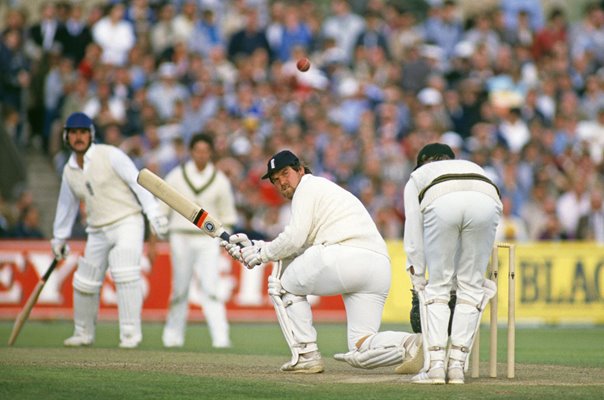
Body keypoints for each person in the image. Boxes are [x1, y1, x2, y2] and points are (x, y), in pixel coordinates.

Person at [222, 150, 423, 374]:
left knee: (282, 285)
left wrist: (261, 254)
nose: (281, 183)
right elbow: (301, 244)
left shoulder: (306, 188)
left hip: (345, 255)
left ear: (300, 170)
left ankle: (307, 355)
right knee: (362, 344)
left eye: (285, 174)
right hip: (378, 266)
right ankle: (414, 345)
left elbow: (294, 238)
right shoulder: (322, 191)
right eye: (275, 180)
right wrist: (256, 246)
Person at [51, 111, 168, 349]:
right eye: (73, 133)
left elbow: (139, 181)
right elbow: (66, 205)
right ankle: (83, 333)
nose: (79, 137)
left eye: (83, 132)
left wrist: (153, 212)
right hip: (96, 228)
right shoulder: (69, 170)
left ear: (91, 134)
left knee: (125, 272)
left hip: (127, 220)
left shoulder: (111, 154)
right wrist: (59, 237)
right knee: (84, 281)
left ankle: (129, 334)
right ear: (66, 137)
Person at [403, 143, 502, 384]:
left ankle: (436, 367)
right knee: (470, 287)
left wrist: (417, 278)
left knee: (438, 287)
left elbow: (414, 233)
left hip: (443, 200)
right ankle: (457, 367)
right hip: (488, 197)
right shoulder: (472, 166)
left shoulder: (417, 176)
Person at [161, 133, 238, 349]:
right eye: (198, 151)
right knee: (179, 288)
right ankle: (172, 336)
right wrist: (156, 232)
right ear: (191, 152)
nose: (201, 155)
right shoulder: (177, 176)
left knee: (211, 288)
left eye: (205, 151)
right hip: (180, 236)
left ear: (210, 153)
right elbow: (163, 208)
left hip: (208, 240)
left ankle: (220, 337)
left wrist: (225, 242)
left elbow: (228, 217)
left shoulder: (220, 180)